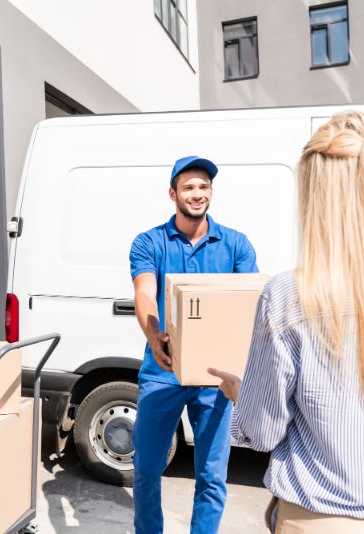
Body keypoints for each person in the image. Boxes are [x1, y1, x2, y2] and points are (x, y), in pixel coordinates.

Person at [209, 111, 364, 534]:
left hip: (320, 520)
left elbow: (262, 432)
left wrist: (240, 393)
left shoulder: (290, 295)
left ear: (316, 197)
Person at [130, 155, 258, 534]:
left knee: (212, 479)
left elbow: (246, 303)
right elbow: (145, 294)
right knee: (146, 472)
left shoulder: (236, 245)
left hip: (215, 379)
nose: (197, 193)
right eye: (188, 187)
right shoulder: (149, 242)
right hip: (163, 371)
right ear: (173, 193)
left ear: (212, 192)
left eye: (203, 186)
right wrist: (154, 336)